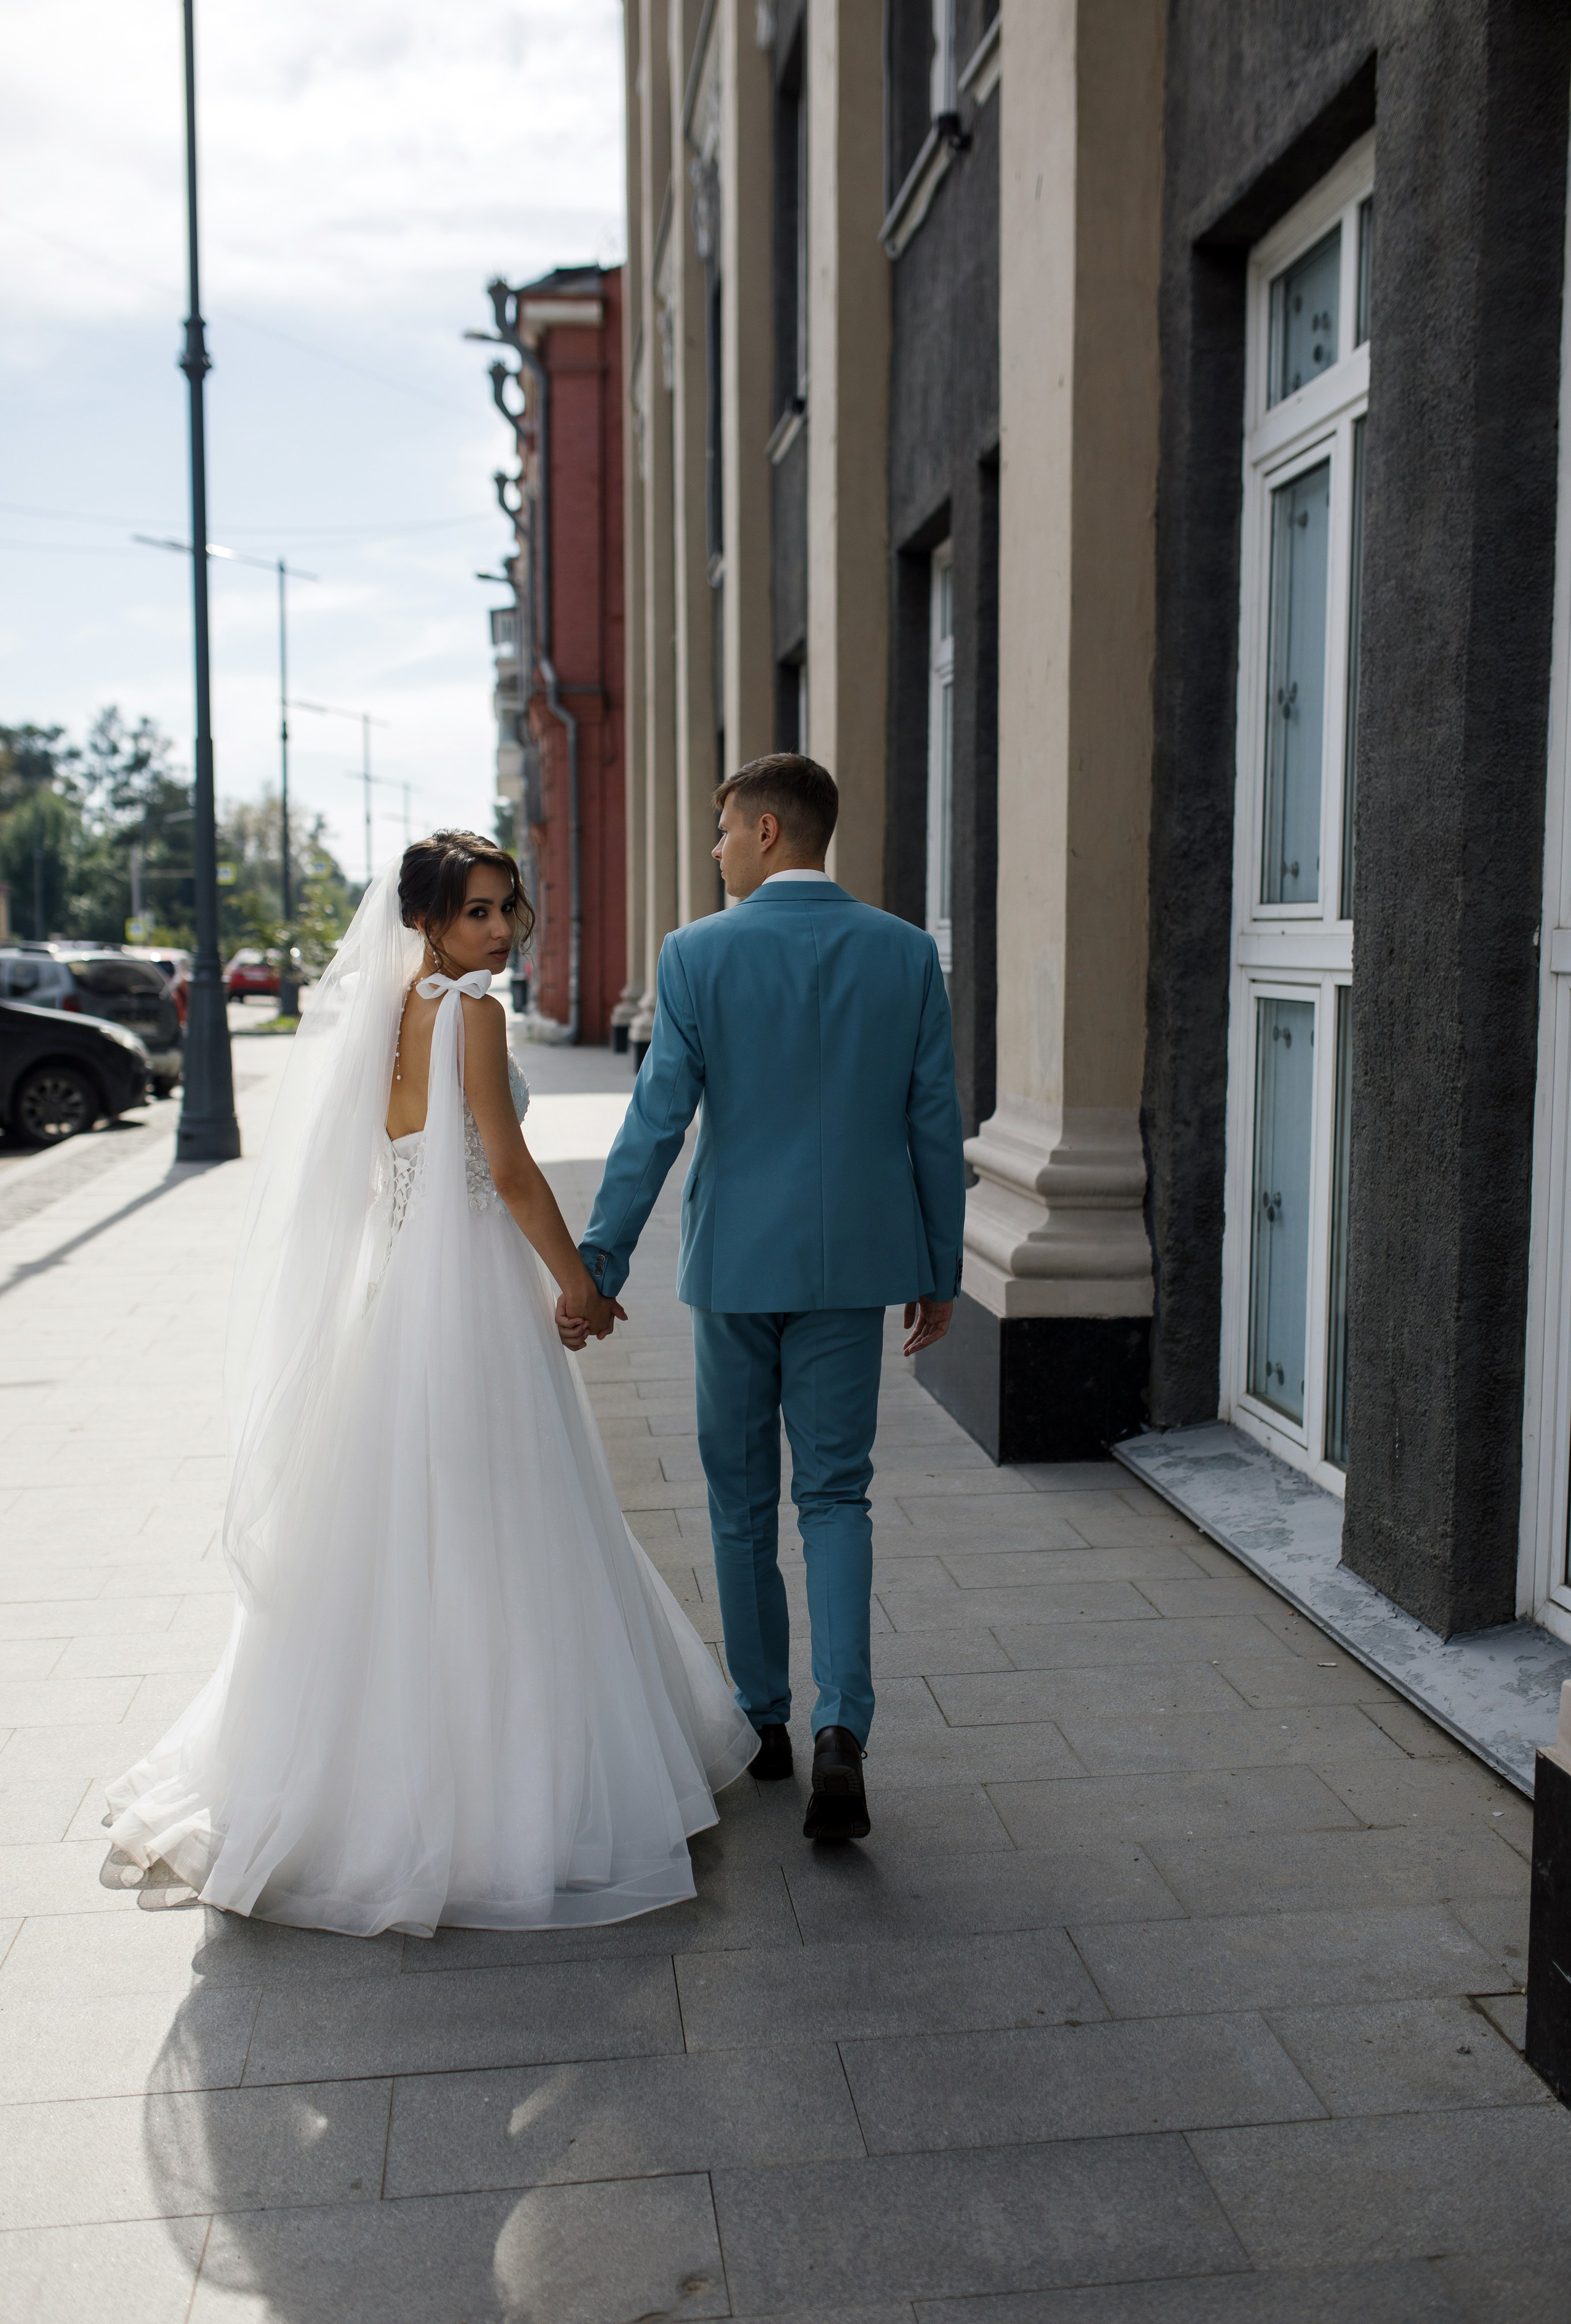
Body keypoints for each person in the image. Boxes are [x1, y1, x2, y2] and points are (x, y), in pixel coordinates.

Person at [105, 831, 757, 1936]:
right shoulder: (476, 1016)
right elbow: (504, 1170)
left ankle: (367, 1786)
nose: (501, 933)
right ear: (425, 921)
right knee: (506, 1526)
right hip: (475, 1303)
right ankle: (510, 1802)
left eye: (510, 910)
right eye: (477, 915)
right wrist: (582, 1287)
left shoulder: (386, 1017)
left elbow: (382, 1171)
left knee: (398, 1532)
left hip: (399, 1299)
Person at [575, 755, 966, 1841]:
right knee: (838, 1496)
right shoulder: (903, 954)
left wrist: (597, 1265)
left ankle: (767, 1723)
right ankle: (847, 1725)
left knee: (742, 1503)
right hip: (854, 1272)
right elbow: (934, 1120)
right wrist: (941, 1268)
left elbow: (656, 1122)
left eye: (717, 835)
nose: (712, 854)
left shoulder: (698, 955)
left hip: (738, 1268)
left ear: (759, 831)